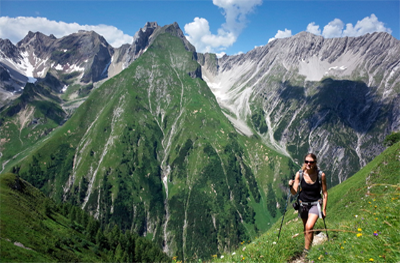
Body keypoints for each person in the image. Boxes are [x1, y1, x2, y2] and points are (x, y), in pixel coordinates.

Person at [288, 153, 328, 255]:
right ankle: (308, 247)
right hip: (302, 204)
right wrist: (291, 186)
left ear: (315, 163)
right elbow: (294, 192)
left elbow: (325, 193)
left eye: (311, 162)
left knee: (309, 227)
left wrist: (324, 209)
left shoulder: (320, 175)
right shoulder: (300, 174)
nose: (308, 164)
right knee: (306, 228)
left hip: (315, 204)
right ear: (304, 162)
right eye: (306, 161)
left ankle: (306, 253)